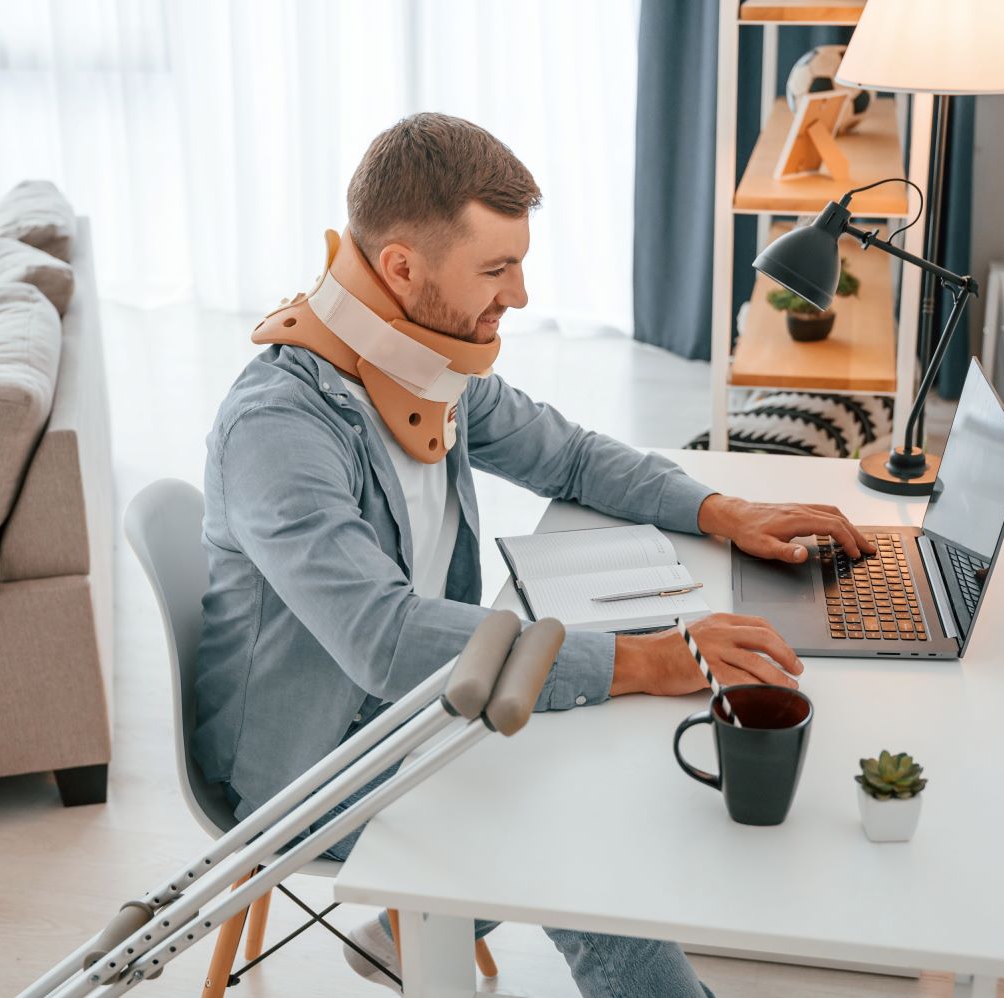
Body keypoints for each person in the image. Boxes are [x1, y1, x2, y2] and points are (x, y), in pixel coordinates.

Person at [194, 112, 875, 996]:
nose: (518, 293)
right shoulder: (280, 428)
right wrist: (643, 659)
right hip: (315, 762)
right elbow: (384, 640)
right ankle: (440, 922)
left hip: (427, 706)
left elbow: (571, 455)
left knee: (595, 760)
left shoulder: (420, 361)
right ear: (401, 268)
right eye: (495, 268)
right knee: (575, 842)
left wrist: (723, 508)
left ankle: (422, 929)